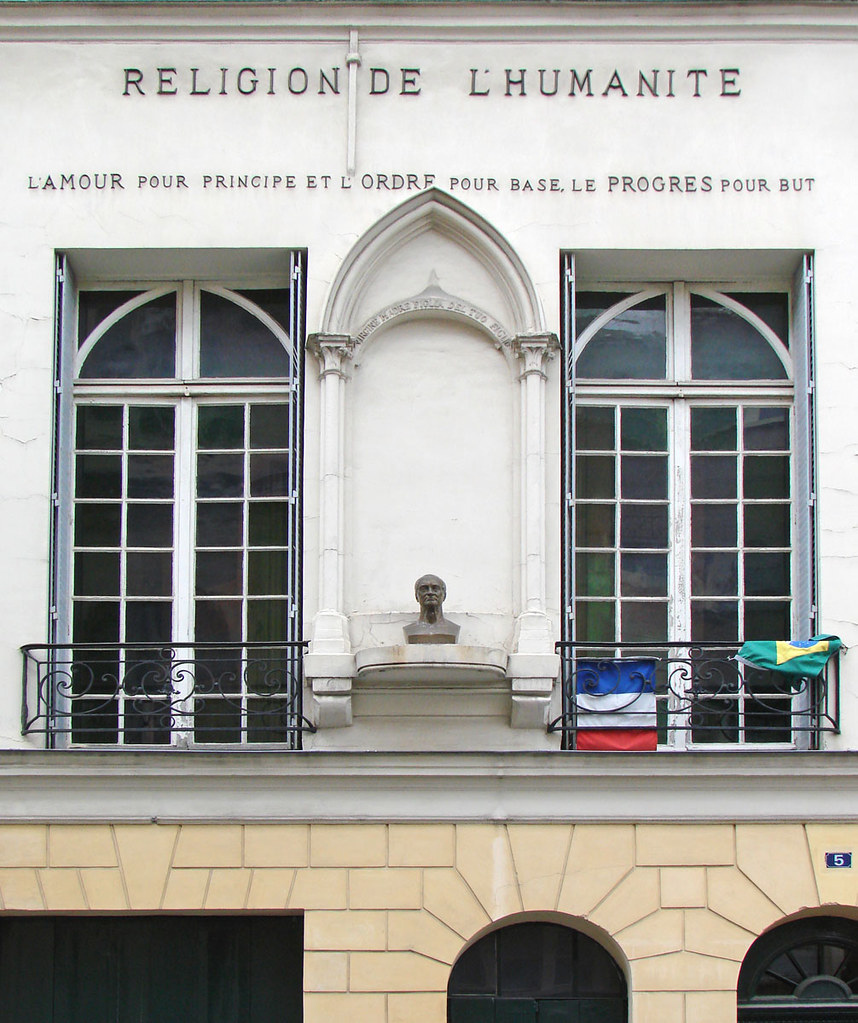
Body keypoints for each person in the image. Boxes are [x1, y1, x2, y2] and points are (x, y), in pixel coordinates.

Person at [403, 573, 460, 644]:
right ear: (416, 596)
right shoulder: (410, 630)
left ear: (444, 595)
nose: (430, 592)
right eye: (424, 589)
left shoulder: (453, 629)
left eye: (435, 589)